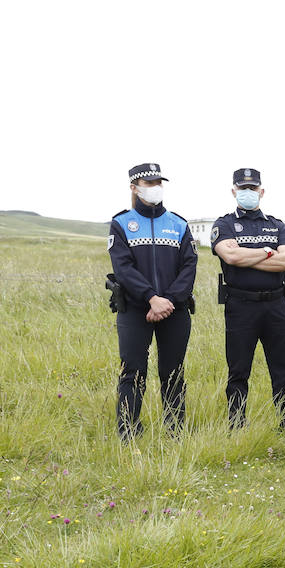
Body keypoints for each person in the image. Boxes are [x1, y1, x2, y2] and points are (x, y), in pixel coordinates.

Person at [107, 162, 198, 441]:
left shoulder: (179, 224)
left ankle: (174, 432)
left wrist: (167, 300)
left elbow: (189, 266)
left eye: (158, 182)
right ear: (134, 188)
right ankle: (128, 432)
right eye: (148, 183)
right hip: (135, 310)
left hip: (174, 309)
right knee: (132, 372)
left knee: (173, 372)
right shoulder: (121, 223)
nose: (155, 188)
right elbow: (123, 268)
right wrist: (151, 298)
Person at [211, 168, 285, 429]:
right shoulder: (224, 224)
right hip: (240, 306)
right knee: (238, 371)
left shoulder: (277, 224)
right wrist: (270, 252)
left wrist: (250, 255)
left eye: (252, 188)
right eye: (242, 188)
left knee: (282, 370)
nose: (248, 193)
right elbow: (231, 258)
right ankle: (236, 425)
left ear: (262, 191)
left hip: (276, 305)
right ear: (234, 191)